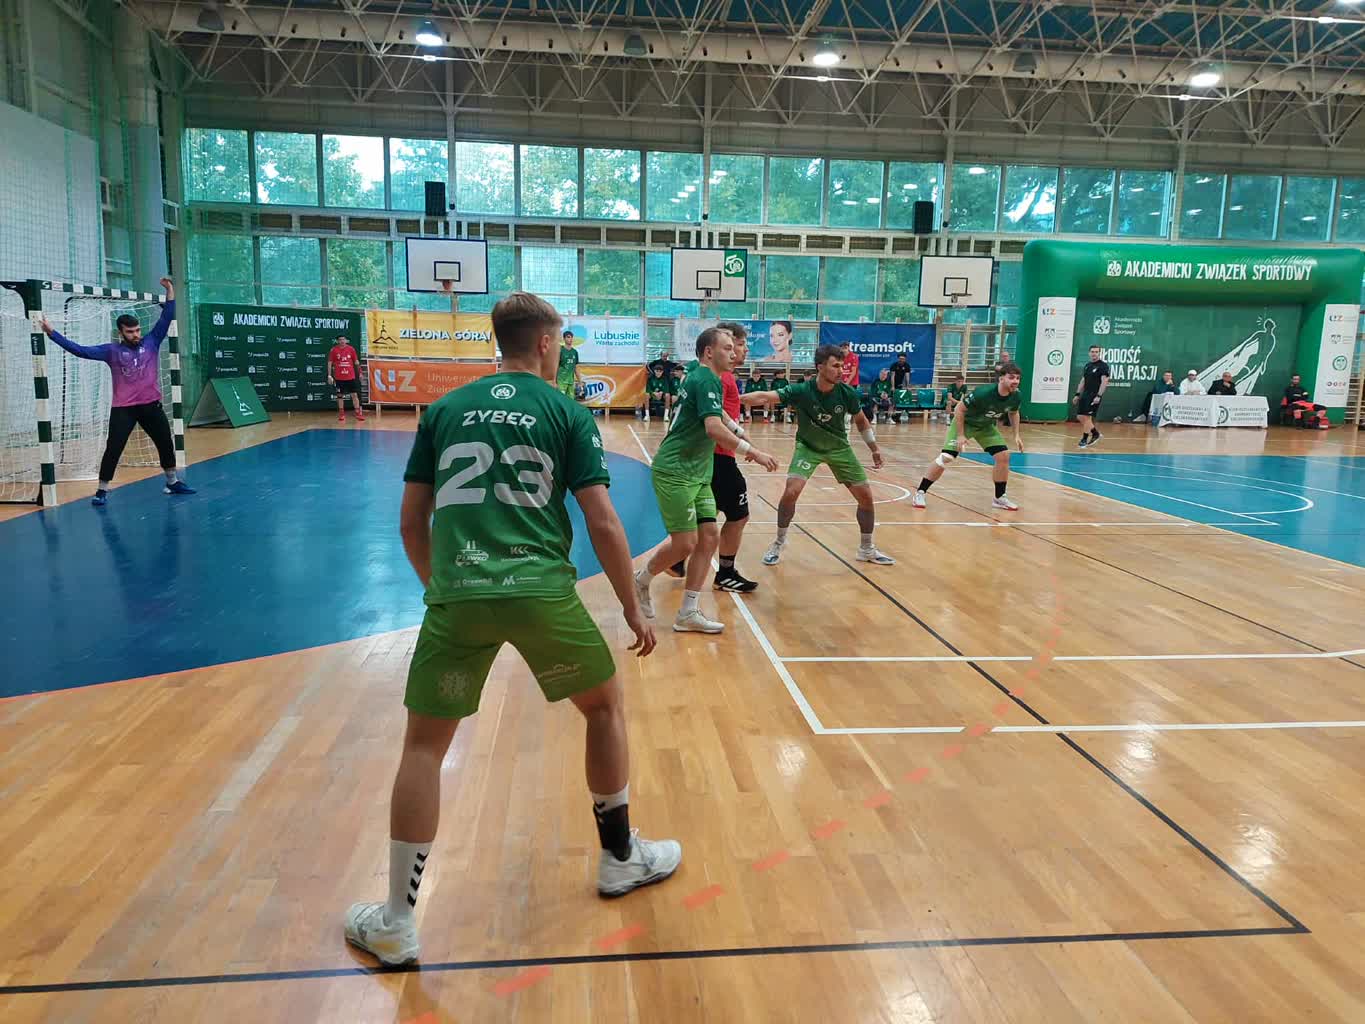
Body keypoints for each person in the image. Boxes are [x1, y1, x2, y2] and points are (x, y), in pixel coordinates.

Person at [343, 292, 676, 968]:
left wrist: (441, 587)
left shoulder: (443, 410)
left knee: (423, 748)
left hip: (458, 595)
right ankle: (619, 858)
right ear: (547, 342)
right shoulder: (565, 411)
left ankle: (397, 922)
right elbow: (603, 521)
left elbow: (410, 522)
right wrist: (632, 606)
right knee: (603, 708)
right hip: (541, 593)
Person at [635, 329, 778, 634]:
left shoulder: (703, 376)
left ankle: (688, 612)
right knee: (686, 543)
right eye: (727, 348)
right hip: (675, 471)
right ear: (709, 352)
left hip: (700, 471)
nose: (733, 353)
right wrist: (753, 451)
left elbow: (717, 413)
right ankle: (640, 581)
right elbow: (713, 427)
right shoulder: (706, 378)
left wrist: (738, 431)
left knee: (709, 537)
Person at [39, 277, 195, 507]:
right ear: (121, 333)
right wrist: (52, 333)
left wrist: (170, 289)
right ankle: (101, 490)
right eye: (130, 331)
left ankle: (172, 482)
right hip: (124, 410)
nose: (136, 334)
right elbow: (80, 350)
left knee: (165, 442)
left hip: (151, 406)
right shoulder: (110, 351)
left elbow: (167, 315)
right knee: (114, 448)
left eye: (137, 330)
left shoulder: (151, 342)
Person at [742, 344, 894, 568]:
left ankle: (866, 548)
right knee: (791, 492)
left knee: (866, 497)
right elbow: (765, 396)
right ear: (820, 367)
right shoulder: (802, 390)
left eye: (842, 366)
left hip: (839, 448)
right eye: (835, 366)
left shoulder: (846, 393)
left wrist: (874, 448)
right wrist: (733, 398)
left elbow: (861, 421)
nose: (841, 370)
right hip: (808, 447)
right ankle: (779, 542)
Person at [667, 323, 763, 594]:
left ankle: (677, 559)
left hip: (714, 454)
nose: (742, 351)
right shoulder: (717, 377)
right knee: (738, 515)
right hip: (718, 455)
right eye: (738, 345)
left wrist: (742, 434)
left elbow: (721, 410)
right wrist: (748, 447)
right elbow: (714, 417)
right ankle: (725, 573)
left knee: (709, 516)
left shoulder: (716, 376)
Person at [913, 363, 1024, 512]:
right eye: (1011, 378)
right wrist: (960, 435)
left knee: (1003, 456)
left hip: (985, 426)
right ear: (1001, 379)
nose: (1015, 381)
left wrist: (1016, 434)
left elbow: (1014, 412)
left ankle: (999, 498)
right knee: (947, 457)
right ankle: (920, 492)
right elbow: (959, 409)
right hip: (965, 423)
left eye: (1017, 378)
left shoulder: (1016, 395)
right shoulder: (983, 393)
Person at [1073, 345, 1110, 448]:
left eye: (1096, 352)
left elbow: (1104, 382)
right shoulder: (1087, 365)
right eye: (1092, 352)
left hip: (1094, 395)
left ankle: (1084, 439)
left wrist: (1098, 395)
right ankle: (1095, 433)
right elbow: (1083, 380)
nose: (1094, 353)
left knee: (1087, 417)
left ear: (1099, 353)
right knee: (1080, 416)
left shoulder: (1103, 366)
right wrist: (1077, 394)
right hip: (1085, 394)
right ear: (1089, 353)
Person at [328, 335, 365, 423]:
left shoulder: (351, 349)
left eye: (343, 339)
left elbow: (356, 362)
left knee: (354, 395)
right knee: (340, 396)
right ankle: (341, 414)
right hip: (339, 378)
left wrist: (360, 372)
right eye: (340, 340)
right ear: (337, 341)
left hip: (350, 377)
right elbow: (329, 363)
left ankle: (358, 413)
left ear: (346, 340)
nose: (342, 341)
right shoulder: (334, 350)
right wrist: (329, 375)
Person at [557, 328, 582, 399]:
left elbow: (576, 367)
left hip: (570, 382)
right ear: (564, 339)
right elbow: (555, 366)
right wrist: (554, 381)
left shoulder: (574, 352)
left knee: (570, 401)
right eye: (568, 337)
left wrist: (580, 381)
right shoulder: (560, 351)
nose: (570, 339)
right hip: (561, 381)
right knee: (561, 400)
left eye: (571, 337)